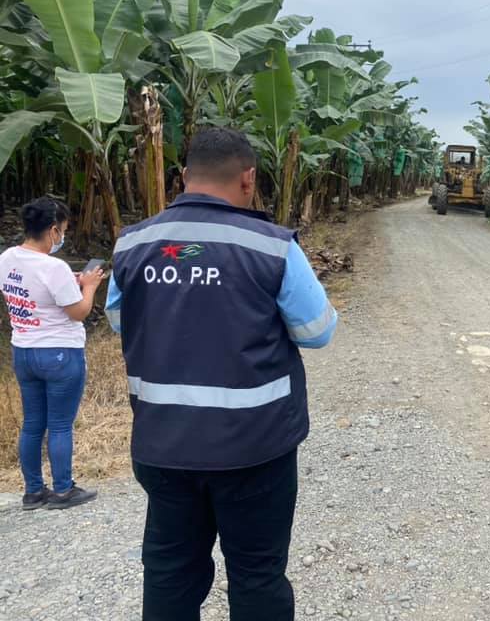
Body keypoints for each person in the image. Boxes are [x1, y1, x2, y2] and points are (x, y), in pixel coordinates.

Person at [105, 128, 338, 621]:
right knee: (256, 574)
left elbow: (122, 321)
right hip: (254, 449)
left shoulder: (134, 243)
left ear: (183, 177)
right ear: (248, 179)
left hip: (163, 445)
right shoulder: (271, 247)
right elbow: (317, 331)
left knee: (169, 570)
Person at [0, 197, 103, 510]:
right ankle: (63, 490)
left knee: (32, 423)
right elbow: (78, 311)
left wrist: (72, 282)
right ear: (54, 230)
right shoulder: (55, 267)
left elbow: (32, 290)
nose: (63, 237)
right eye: (63, 231)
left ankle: (33, 491)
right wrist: (90, 286)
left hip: (23, 350)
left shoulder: (7, 258)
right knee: (59, 425)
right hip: (59, 353)